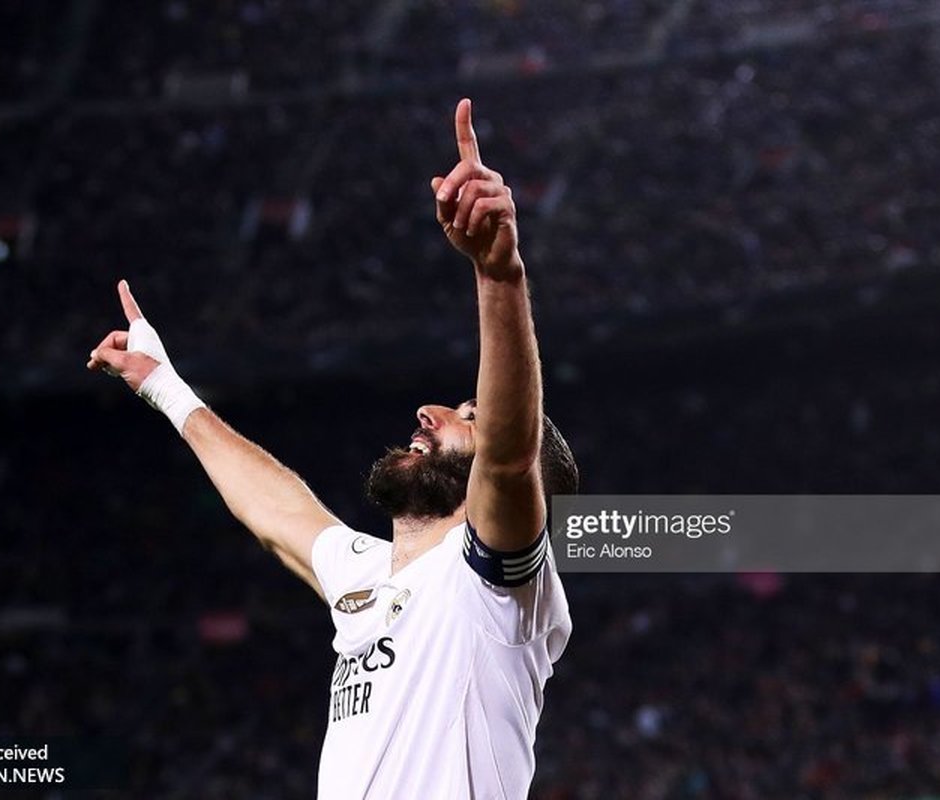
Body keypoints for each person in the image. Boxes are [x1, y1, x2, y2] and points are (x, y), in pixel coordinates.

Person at [87, 98, 578, 799]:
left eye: (467, 415)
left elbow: (507, 459)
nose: (430, 412)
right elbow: (279, 511)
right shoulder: (370, 577)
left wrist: (500, 276)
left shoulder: (497, 589)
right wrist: (165, 386)